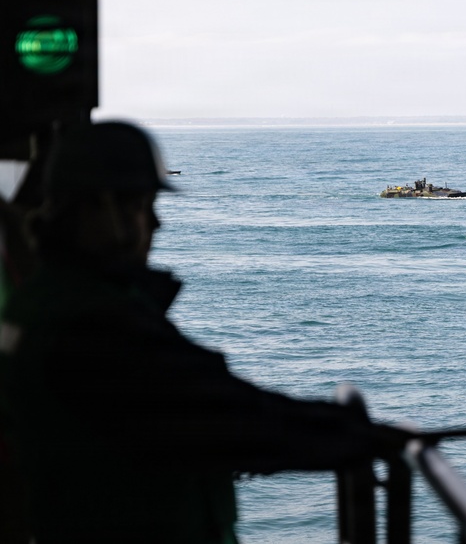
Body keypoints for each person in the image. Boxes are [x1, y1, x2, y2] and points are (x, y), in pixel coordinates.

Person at [0, 121, 405, 543]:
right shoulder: (92, 322)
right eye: (142, 206)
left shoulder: (43, 301)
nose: (155, 223)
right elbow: (223, 416)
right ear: (102, 208)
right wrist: (361, 435)